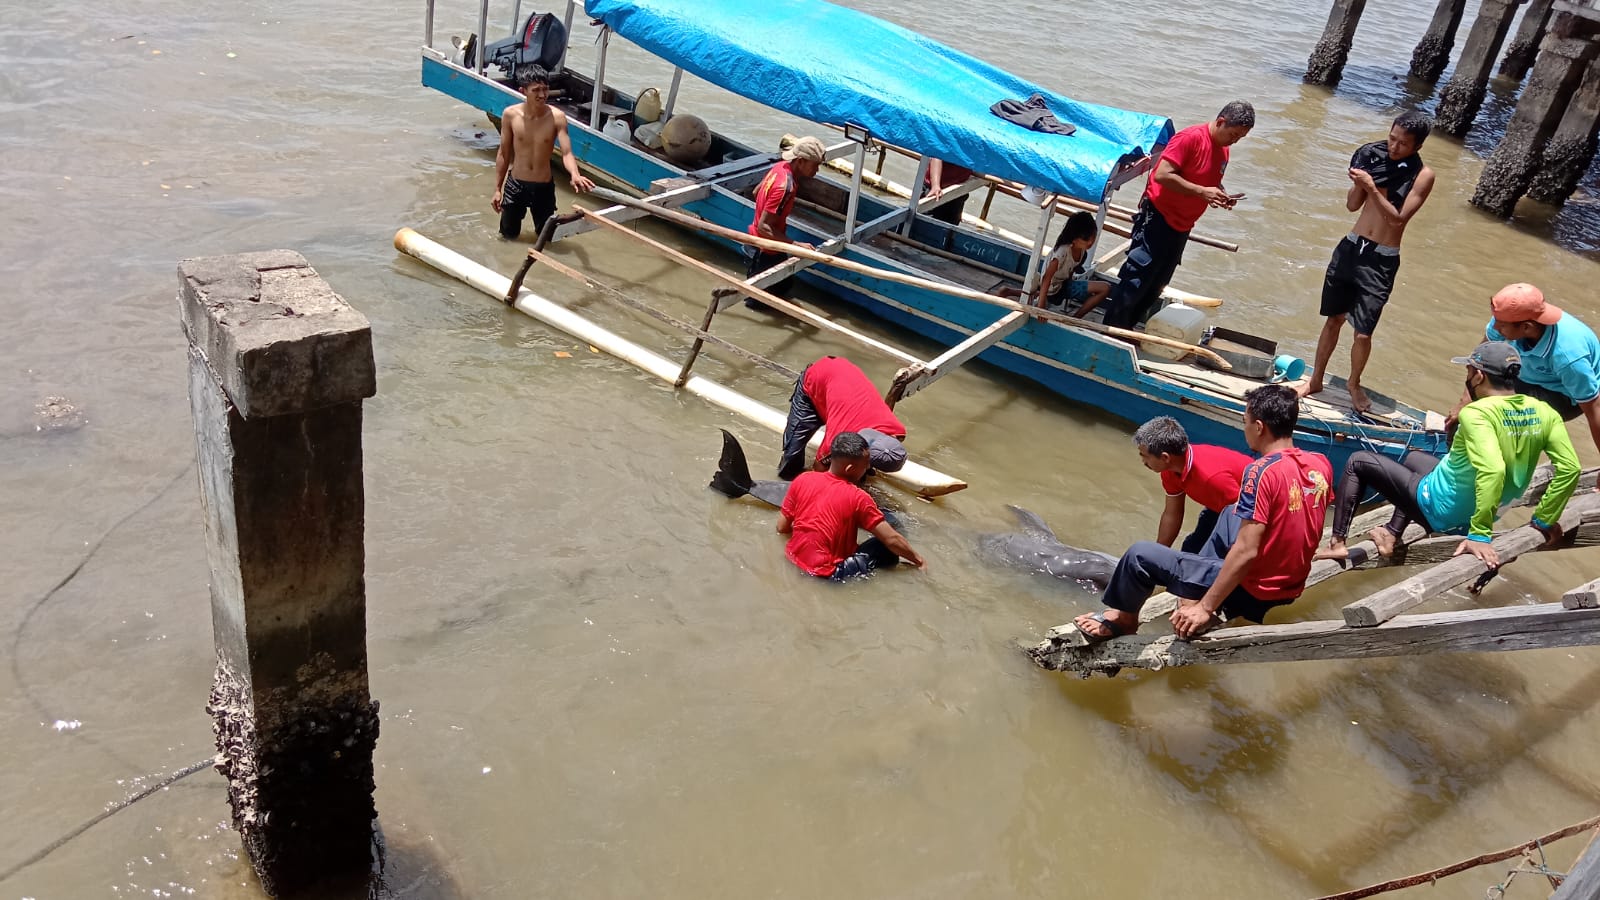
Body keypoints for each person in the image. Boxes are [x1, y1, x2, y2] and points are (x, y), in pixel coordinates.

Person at [1072, 385, 1333, 643]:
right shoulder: (1319, 463)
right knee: (1228, 513)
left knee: (1139, 555)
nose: (1244, 429)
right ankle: (1192, 590)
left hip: (1254, 589)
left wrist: (1205, 608)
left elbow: (1246, 550)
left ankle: (1125, 621)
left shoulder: (1260, 471)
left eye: (1245, 421)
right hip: (1290, 584)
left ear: (1258, 427)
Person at [1316, 342, 1577, 567]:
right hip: (1490, 506)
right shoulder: (1544, 411)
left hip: (1443, 510)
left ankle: (1337, 542)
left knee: (1357, 461)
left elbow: (1493, 470)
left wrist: (1480, 535)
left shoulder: (1476, 413)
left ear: (1478, 375)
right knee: (1414, 458)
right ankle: (1391, 533)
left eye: (1468, 371)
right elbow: (1570, 468)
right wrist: (1545, 519)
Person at [1299, 111, 1436, 414]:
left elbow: (1397, 219)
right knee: (1333, 318)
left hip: (1381, 259)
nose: (1394, 147)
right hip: (1351, 247)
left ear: (1418, 146)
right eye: (1392, 138)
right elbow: (1352, 206)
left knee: (1363, 332)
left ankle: (1353, 383)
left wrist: (1373, 187)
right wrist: (1360, 184)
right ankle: (1317, 379)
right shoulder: (1372, 158)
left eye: (1403, 144)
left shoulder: (1422, 175)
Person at [1099, 101, 1254, 330]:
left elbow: (1207, 179)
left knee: (1158, 282)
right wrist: (1202, 191)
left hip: (1182, 224)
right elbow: (1162, 174)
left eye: (1240, 138)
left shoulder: (1224, 150)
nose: (1234, 141)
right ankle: (1110, 329)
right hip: (1159, 216)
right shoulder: (1190, 138)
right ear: (1220, 122)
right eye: (1233, 134)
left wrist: (1218, 193)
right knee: (1137, 277)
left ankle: (1128, 330)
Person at [778, 432, 926, 580]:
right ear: (849, 469)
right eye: (866, 464)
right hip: (828, 574)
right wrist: (919, 560)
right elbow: (892, 539)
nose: (868, 467)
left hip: (792, 558)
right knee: (886, 546)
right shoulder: (859, 498)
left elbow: (782, 527)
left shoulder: (803, 479)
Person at [1481, 283, 1600, 464]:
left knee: (1512, 426)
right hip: (1528, 373)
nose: (1495, 328)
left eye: (1502, 326)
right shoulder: (1505, 317)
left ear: (1527, 327)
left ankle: (1511, 465)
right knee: (1482, 391)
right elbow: (1480, 359)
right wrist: (1463, 404)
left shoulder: (1569, 357)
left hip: (1562, 394)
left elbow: (1594, 409)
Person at [492, 65, 595, 239]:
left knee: (547, 238)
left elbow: (567, 152)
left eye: (545, 89)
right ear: (523, 91)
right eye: (536, 90)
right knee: (507, 237)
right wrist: (497, 189)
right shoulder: (510, 115)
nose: (542, 95)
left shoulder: (557, 117)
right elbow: (504, 153)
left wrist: (575, 174)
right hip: (516, 185)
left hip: (543, 187)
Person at [1132, 416, 1253, 553]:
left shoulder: (1212, 478)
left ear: (1165, 457)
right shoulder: (1170, 470)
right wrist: (1156, 553)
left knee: (1212, 559)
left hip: (1246, 509)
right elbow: (1172, 514)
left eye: (1144, 456)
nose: (1143, 461)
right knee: (1191, 550)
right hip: (1219, 506)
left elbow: (1247, 518)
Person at [778, 356, 907, 481]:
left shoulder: (897, 432)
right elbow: (819, 468)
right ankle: (788, 474)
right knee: (791, 459)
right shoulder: (840, 438)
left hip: (842, 382)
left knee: (857, 474)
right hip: (819, 377)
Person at [743, 136, 825, 307]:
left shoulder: (780, 167)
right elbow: (764, 227)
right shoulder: (785, 187)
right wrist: (796, 245)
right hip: (766, 247)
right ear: (801, 161)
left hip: (761, 242)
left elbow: (756, 192)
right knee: (757, 302)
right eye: (815, 165)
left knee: (784, 285)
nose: (817, 170)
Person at [996, 212, 1111, 316]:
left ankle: (1076, 318)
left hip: (1063, 284)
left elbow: (1072, 270)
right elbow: (1047, 278)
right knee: (1045, 297)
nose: (1091, 242)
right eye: (1087, 239)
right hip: (1051, 286)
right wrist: (1041, 307)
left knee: (1105, 288)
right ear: (1074, 239)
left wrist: (1071, 283)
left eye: (1093, 238)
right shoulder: (1062, 252)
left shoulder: (1082, 252)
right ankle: (1010, 292)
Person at [922, 158, 976, 226]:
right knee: (925, 224)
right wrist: (935, 185)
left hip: (958, 192)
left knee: (950, 227)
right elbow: (937, 156)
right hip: (936, 192)